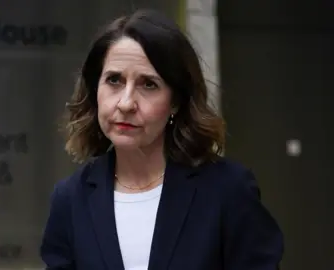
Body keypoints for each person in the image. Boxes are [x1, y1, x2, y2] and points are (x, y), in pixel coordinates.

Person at [40, 9, 284, 270]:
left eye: (149, 85)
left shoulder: (228, 191)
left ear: (176, 102)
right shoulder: (71, 198)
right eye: (114, 80)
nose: (126, 103)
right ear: (95, 89)